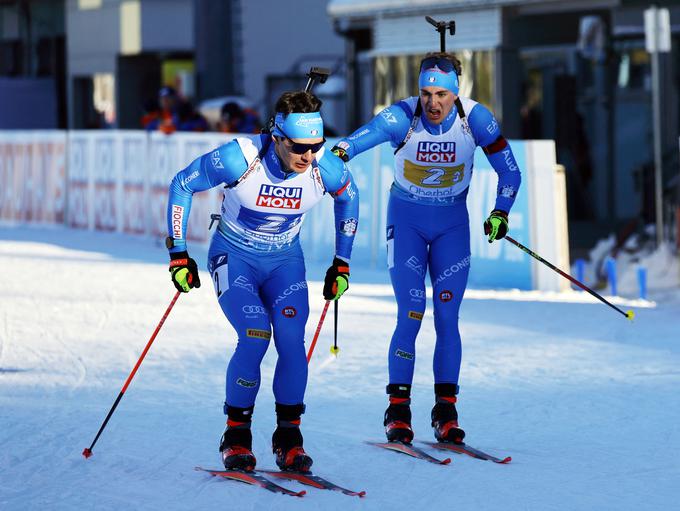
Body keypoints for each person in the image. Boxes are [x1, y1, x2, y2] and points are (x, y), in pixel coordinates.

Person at [331, 52, 521, 445]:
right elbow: (354, 141)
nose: (432, 103)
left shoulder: (476, 120)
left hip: (452, 225)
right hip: (408, 224)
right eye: (425, 93)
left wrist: (500, 212)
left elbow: (510, 170)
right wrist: (336, 155)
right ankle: (398, 410)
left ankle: (445, 412)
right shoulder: (402, 117)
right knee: (412, 312)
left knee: (448, 318)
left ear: (456, 93)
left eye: (441, 95)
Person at [165, 90, 359, 472]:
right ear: (277, 136)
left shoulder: (325, 166)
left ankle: (289, 438)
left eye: (316, 145)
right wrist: (178, 253)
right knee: (255, 334)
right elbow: (182, 184)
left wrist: (342, 263)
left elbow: (349, 198)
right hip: (234, 257)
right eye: (300, 147)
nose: (309, 155)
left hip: (285, 262)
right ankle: (236, 436)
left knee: (290, 338)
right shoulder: (241, 158)